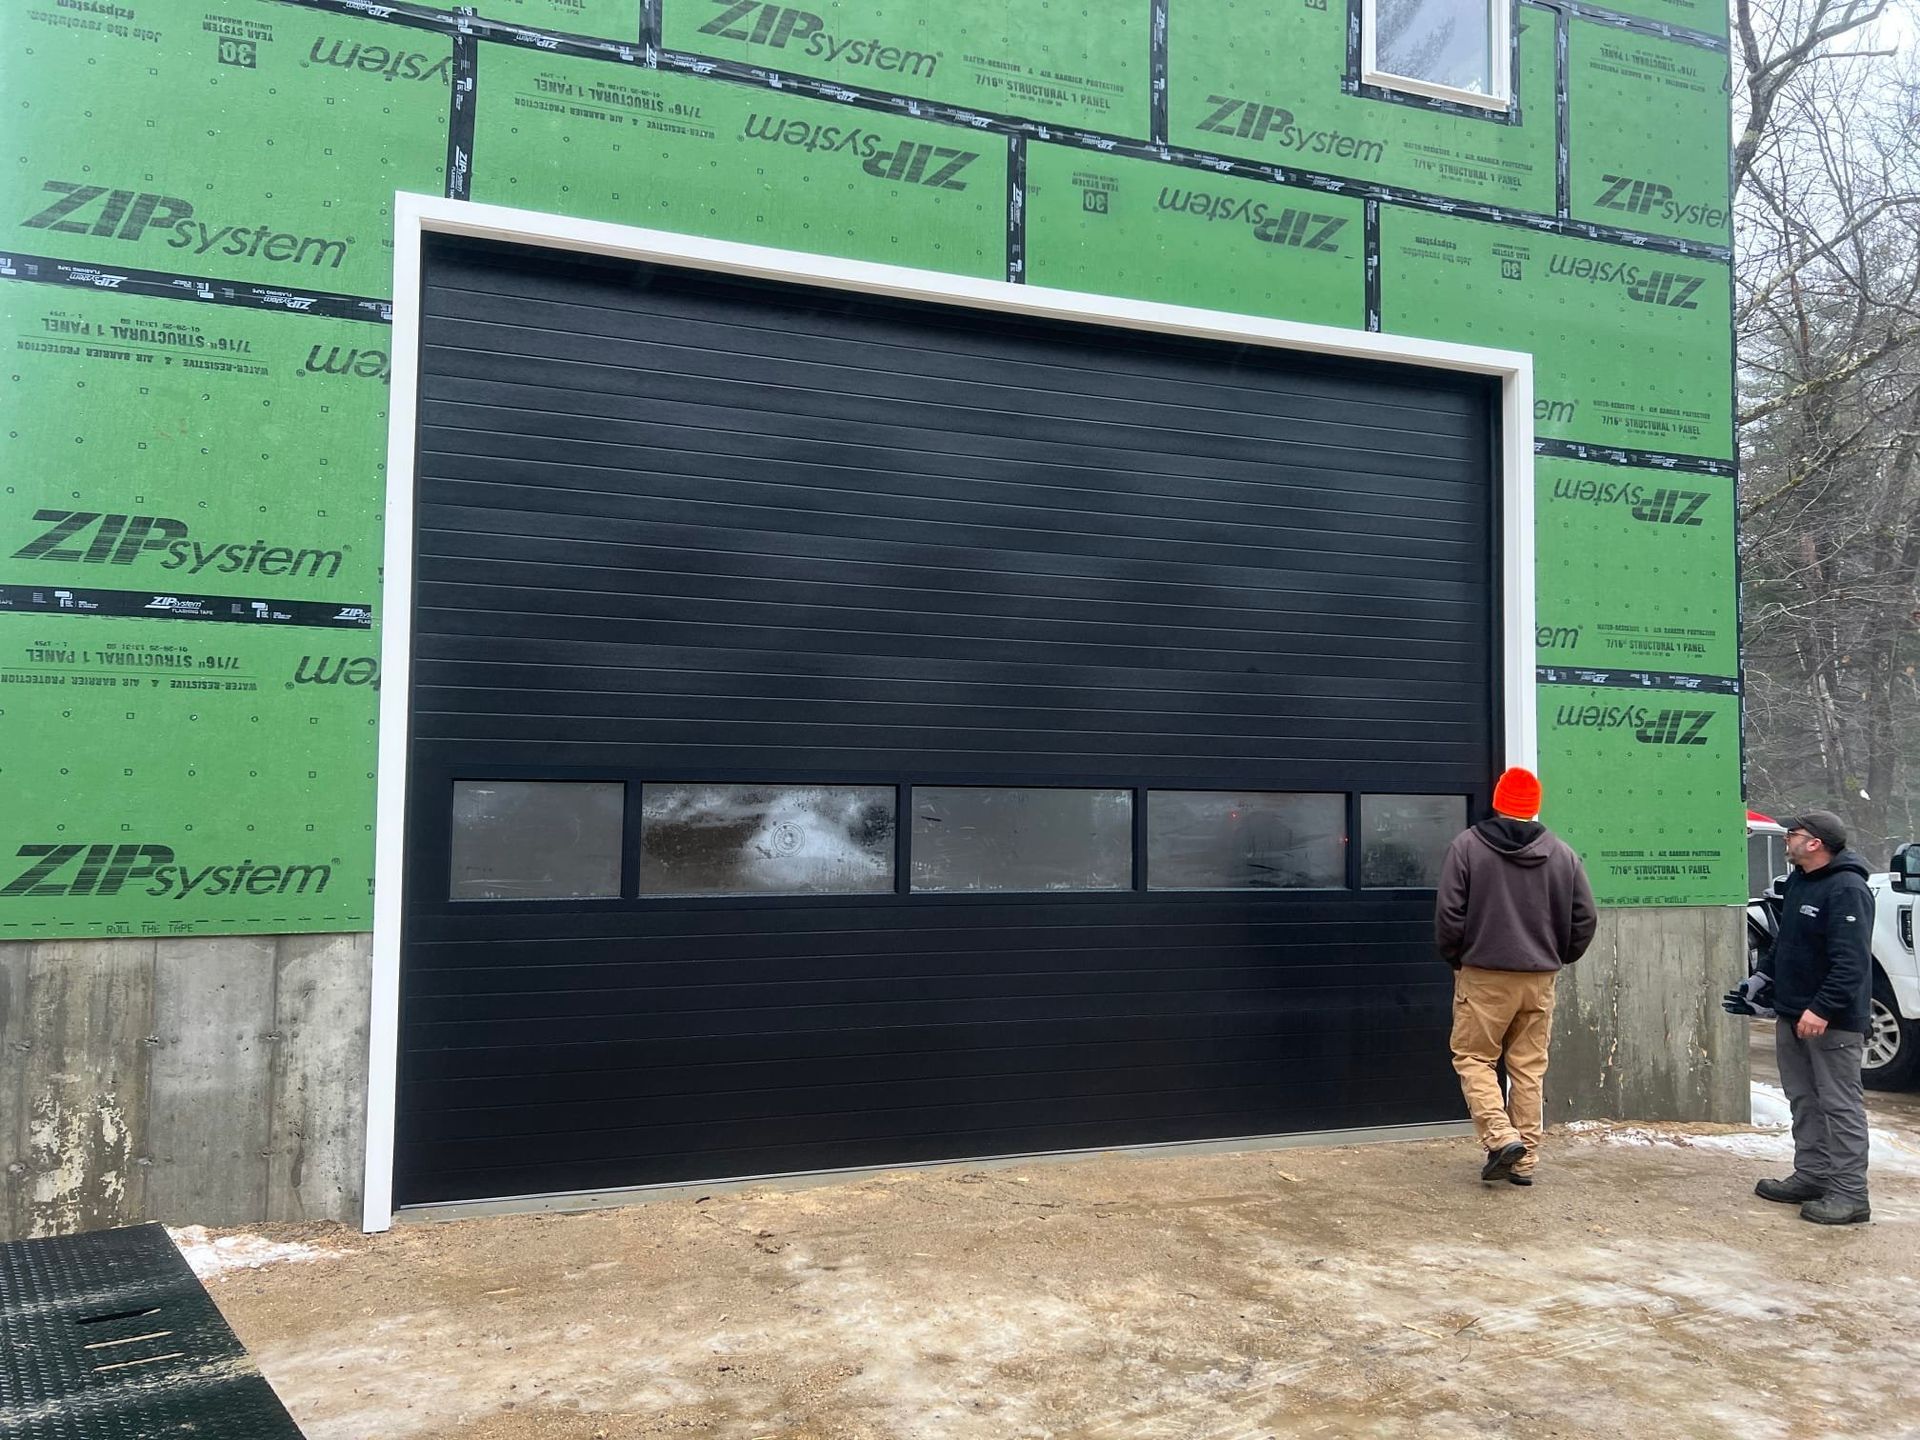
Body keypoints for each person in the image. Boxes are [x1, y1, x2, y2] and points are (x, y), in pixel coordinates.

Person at [1434, 766, 1597, 1185]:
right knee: (1527, 1068)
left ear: (1498, 801)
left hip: (1484, 973)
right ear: (1535, 807)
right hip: (1539, 977)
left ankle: (1502, 1137)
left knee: (1473, 1058)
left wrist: (1457, 957)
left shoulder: (1468, 846)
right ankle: (1524, 1162)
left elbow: (1450, 914)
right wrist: (1556, 956)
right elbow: (1585, 919)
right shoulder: (1562, 854)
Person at [1753, 810, 1874, 1225]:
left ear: (1815, 843)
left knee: (1839, 1105)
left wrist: (1821, 1008)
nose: (1787, 840)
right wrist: (1760, 980)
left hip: (1831, 1021)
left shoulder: (1848, 889)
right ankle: (1813, 1175)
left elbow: (1851, 963)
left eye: (1793, 834)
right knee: (1803, 1099)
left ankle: (1850, 1194)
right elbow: (1785, 942)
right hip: (1793, 1013)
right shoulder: (1802, 882)